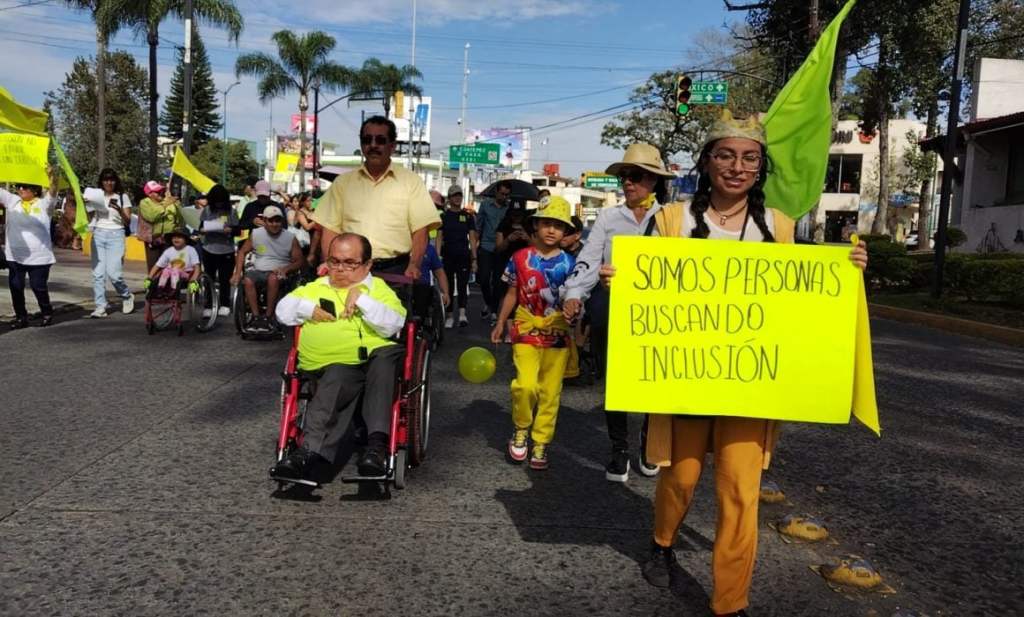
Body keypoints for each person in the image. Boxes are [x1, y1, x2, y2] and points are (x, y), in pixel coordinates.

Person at [596, 112, 869, 617]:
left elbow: (801, 300)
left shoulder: (779, 226)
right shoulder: (671, 220)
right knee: (680, 479)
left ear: (759, 168)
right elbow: (648, 289)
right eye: (725, 155)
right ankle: (661, 541)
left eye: (749, 158)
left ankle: (730, 602)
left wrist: (847, 271)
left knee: (740, 491)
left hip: (752, 386)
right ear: (707, 162)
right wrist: (622, 281)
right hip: (685, 380)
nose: (736, 167)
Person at [562, 143, 675, 483]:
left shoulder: (672, 218)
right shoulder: (609, 218)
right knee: (615, 381)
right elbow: (589, 259)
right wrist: (573, 293)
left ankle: (648, 443)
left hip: (659, 312)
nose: (629, 182)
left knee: (656, 380)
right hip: (613, 307)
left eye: (637, 176)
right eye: (625, 176)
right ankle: (619, 450)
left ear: (654, 180)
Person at [271, 232, 407, 482]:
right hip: (332, 364)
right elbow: (282, 311)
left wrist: (362, 299)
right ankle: (308, 453)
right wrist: (307, 308)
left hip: (373, 361)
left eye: (350, 263)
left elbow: (393, 325)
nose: (341, 269)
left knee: (384, 358)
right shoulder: (315, 288)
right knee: (337, 374)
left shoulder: (379, 289)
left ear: (367, 265)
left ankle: (375, 448)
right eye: (334, 261)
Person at [490, 196, 576, 471]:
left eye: (559, 226)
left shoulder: (570, 263)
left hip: (558, 333)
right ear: (536, 226)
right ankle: (521, 428)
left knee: (550, 392)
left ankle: (541, 441)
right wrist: (501, 321)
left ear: (566, 232)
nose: (552, 230)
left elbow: (576, 298)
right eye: (547, 224)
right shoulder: (519, 258)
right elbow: (512, 292)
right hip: (525, 328)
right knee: (525, 385)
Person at [313, 116, 439, 280]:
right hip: (350, 270)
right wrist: (329, 263)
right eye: (367, 139)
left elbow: (420, 229)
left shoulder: (411, 182)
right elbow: (330, 228)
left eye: (380, 140)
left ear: (392, 146)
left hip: (396, 271)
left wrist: (414, 264)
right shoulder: (342, 183)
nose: (373, 145)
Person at [230, 205, 304, 332]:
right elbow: (242, 252)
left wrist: (286, 269)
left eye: (278, 220)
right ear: (265, 221)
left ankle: (268, 317)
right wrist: (237, 273)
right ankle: (256, 316)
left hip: (279, 272)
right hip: (259, 269)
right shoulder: (256, 234)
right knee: (247, 280)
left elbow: (300, 261)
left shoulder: (290, 237)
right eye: (271, 221)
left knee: (273, 278)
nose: (275, 224)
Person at [2, 174, 58, 329]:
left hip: (39, 257)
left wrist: (52, 176)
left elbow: (53, 191)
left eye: (25, 187)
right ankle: (21, 317)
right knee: (16, 287)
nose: (21, 190)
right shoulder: (13, 201)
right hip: (14, 255)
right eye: (19, 186)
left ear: (34, 190)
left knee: (38, 286)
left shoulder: (44, 204)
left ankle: (46, 312)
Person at [83, 168, 135, 318]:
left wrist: (119, 209)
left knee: (114, 274)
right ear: (101, 182)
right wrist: (87, 204)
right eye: (106, 180)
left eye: (111, 180)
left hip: (116, 235)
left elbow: (127, 221)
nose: (109, 183)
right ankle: (100, 306)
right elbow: (90, 216)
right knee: (98, 274)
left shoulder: (122, 197)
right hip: (98, 233)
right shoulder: (96, 195)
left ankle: (126, 295)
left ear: (115, 181)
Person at [436, 184, 477, 328]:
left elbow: (472, 238)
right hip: (447, 256)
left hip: (464, 256)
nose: (458, 198)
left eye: (459, 195)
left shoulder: (467, 216)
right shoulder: (443, 216)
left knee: (462, 284)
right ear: (449, 198)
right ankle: (449, 315)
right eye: (454, 195)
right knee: (448, 286)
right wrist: (437, 257)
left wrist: (474, 259)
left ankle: (462, 314)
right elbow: (439, 238)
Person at [197, 184, 238, 316]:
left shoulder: (231, 211)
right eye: (217, 202)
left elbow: (238, 230)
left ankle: (225, 303)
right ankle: (209, 305)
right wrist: (202, 230)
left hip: (226, 249)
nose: (219, 205)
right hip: (209, 248)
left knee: (225, 278)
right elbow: (201, 226)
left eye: (221, 202)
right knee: (208, 278)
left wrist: (230, 230)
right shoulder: (207, 210)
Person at [474, 180, 511, 321]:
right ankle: (489, 303)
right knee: (483, 279)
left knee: (498, 281)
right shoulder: (485, 205)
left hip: (501, 248)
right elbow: (478, 227)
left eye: (507, 195)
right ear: (496, 192)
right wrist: (473, 248)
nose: (504, 197)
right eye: (502, 194)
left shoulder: (509, 208)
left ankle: (494, 310)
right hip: (485, 245)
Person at [139, 180, 184, 269]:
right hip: (153, 239)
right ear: (149, 194)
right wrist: (165, 205)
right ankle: (154, 282)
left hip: (169, 239)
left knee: (168, 268)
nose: (160, 193)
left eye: (161, 190)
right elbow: (151, 217)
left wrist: (177, 205)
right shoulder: (144, 203)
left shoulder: (168, 201)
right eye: (157, 192)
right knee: (154, 267)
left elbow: (180, 219)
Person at [145, 229, 200, 293]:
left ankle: (174, 290)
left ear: (186, 239)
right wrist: (149, 278)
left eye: (179, 237)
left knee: (175, 270)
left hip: (187, 274)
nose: (176, 239)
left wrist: (193, 281)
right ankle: (160, 288)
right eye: (174, 237)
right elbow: (157, 265)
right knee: (165, 270)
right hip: (170, 273)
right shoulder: (169, 251)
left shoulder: (191, 250)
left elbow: (197, 267)